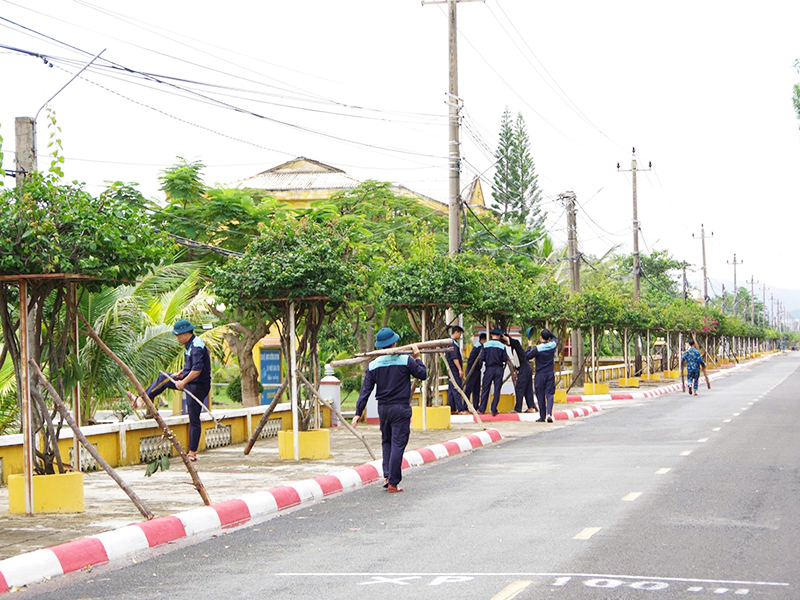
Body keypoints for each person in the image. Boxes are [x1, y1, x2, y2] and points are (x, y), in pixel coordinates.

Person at [353, 327, 426, 493]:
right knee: (398, 444)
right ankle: (393, 482)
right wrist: (418, 358)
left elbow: (366, 390)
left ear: (380, 346)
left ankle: (387, 476)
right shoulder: (405, 360)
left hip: (383, 409)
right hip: (400, 408)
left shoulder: (374, 364)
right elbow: (422, 374)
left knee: (387, 442)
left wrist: (358, 412)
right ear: (394, 342)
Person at [127, 320, 211, 461]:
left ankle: (192, 453)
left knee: (194, 418)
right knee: (163, 378)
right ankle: (142, 399)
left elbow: (197, 370)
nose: (177, 338)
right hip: (190, 381)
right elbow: (191, 367)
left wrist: (183, 382)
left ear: (185, 334)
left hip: (197, 386)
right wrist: (182, 373)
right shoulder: (190, 345)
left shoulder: (196, 346)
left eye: (178, 335)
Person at [527, 328, 558, 423]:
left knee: (540, 395)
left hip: (540, 374)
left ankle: (542, 416)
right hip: (550, 373)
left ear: (541, 338)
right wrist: (548, 331)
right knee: (549, 394)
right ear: (548, 337)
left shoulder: (537, 348)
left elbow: (527, 356)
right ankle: (549, 413)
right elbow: (555, 338)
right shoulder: (552, 345)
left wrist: (529, 346)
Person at [479, 328, 509, 416]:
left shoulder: (485, 345)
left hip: (489, 369)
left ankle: (482, 409)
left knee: (485, 389)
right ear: (499, 336)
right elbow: (505, 359)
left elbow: (482, 358)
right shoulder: (502, 346)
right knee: (497, 389)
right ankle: (494, 409)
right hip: (499, 369)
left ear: (491, 335)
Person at [507, 330, 538, 414]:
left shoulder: (516, 344)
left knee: (519, 388)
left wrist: (504, 336)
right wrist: (516, 372)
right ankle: (531, 407)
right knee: (528, 388)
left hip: (525, 368)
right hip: (525, 368)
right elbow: (519, 361)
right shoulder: (515, 349)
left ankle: (518, 408)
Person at [445, 325, 466, 414]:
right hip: (454, 369)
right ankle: (460, 408)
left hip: (450, 369)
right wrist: (460, 369)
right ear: (456, 332)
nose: (460, 336)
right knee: (457, 388)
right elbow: (455, 358)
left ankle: (452, 408)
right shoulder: (452, 343)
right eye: (460, 333)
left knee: (451, 388)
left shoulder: (449, 342)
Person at [463, 333, 485, 412]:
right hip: (472, 370)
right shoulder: (479, 347)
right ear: (482, 340)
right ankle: (465, 406)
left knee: (476, 389)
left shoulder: (479, 346)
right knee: (469, 388)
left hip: (477, 370)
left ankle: (476, 406)